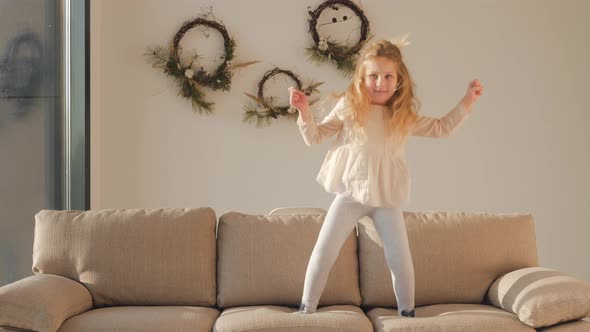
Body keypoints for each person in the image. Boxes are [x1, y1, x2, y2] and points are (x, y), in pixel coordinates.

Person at [288, 37, 484, 317]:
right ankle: (306, 310)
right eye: (373, 76)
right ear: (361, 78)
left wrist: (467, 102)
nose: (380, 83)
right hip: (350, 195)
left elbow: (441, 128)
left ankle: (407, 314)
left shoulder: (401, 115)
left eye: (388, 76)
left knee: (399, 259)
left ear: (399, 79)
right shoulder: (348, 107)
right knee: (324, 251)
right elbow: (315, 136)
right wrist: (304, 111)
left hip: (386, 200)